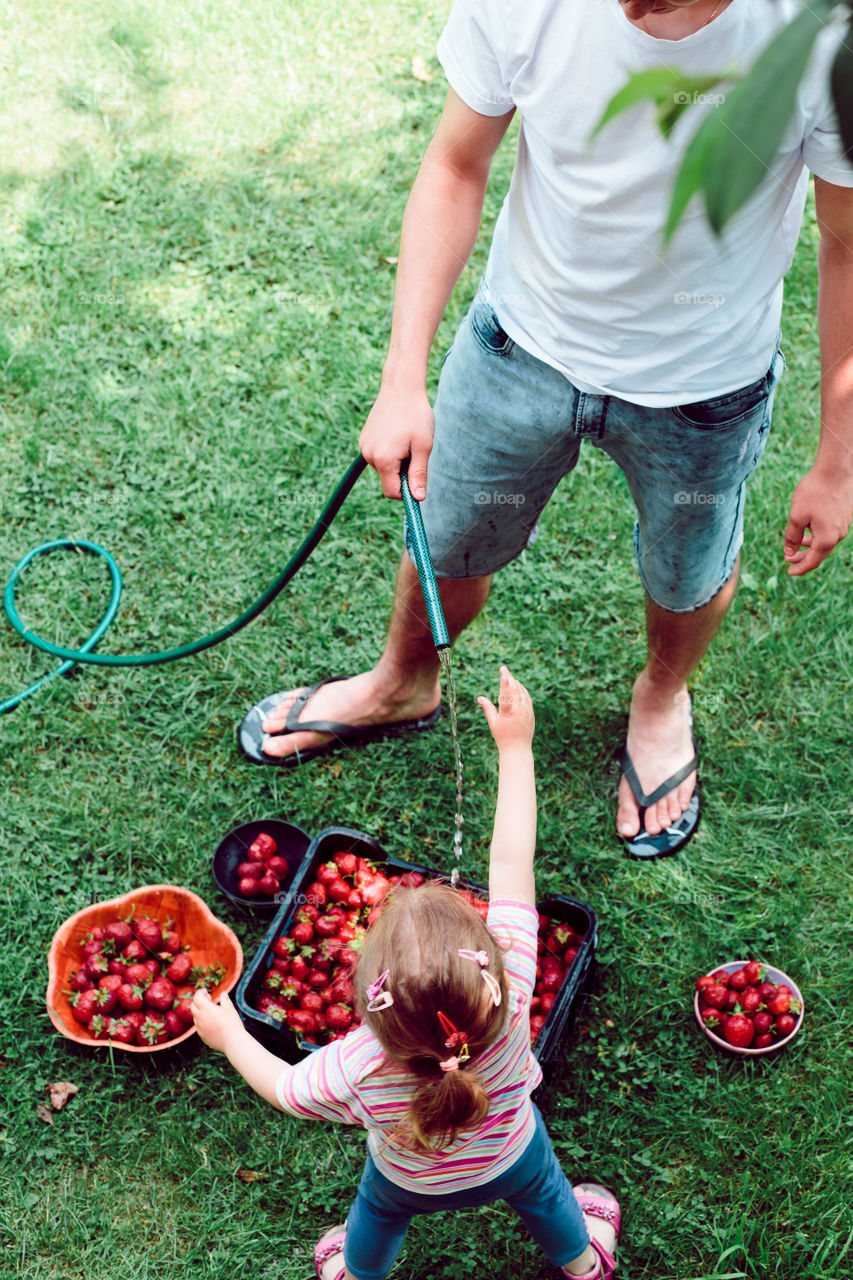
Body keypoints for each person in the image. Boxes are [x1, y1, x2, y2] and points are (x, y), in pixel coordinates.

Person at [239, 0, 853, 859]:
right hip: (518, 347)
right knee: (447, 539)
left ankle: (660, 698)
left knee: (688, 571)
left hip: (703, 386)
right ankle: (401, 682)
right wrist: (401, 375)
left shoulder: (819, 36)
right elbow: (456, 165)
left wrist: (837, 458)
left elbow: (846, 244)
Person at [198, 668, 621, 1280]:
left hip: (405, 1179)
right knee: (547, 1196)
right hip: (512, 1153)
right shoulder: (513, 991)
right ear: (490, 966)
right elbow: (510, 859)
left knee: (374, 1219)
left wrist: (230, 1035)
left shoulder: (356, 1064)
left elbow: (286, 1090)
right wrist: (515, 748)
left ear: (367, 1009)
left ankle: (356, 1273)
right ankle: (584, 1263)